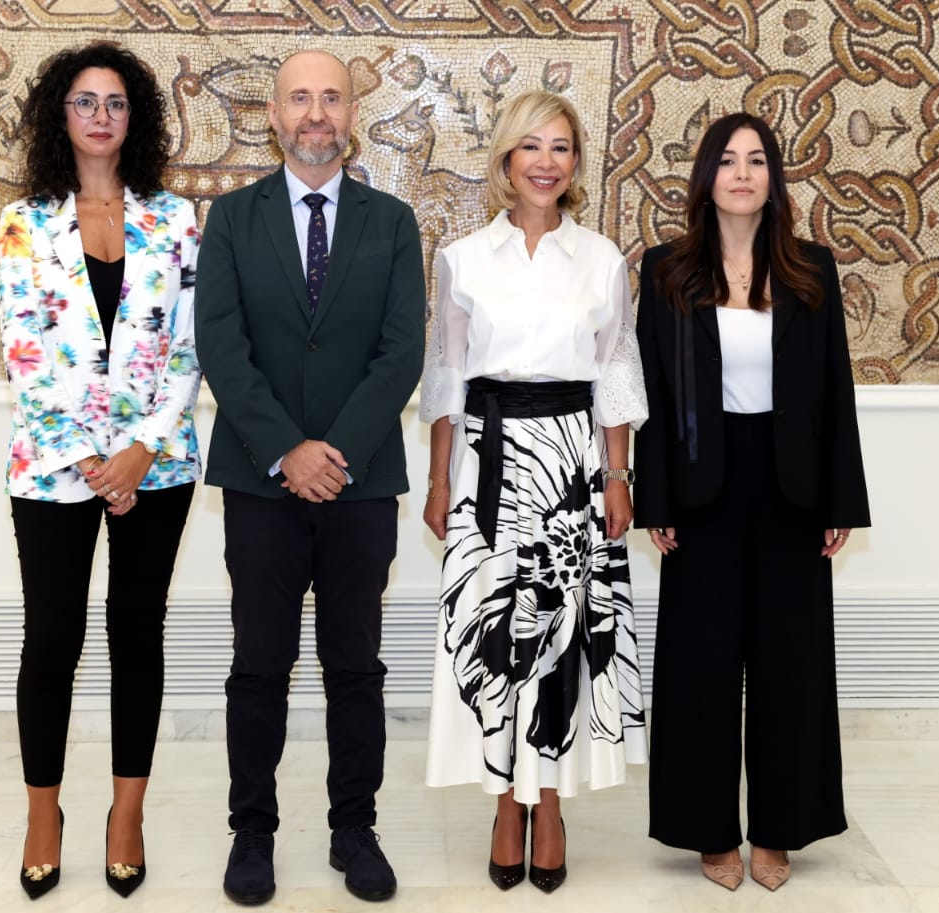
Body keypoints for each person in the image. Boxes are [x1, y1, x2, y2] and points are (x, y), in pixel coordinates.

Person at [193, 49, 425, 906]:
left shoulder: (392, 221)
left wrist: (336, 452)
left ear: (353, 113)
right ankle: (251, 832)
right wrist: (288, 448)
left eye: (331, 97)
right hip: (262, 484)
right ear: (274, 115)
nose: (316, 113)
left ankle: (353, 828)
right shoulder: (231, 219)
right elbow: (221, 345)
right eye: (300, 97)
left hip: (361, 487)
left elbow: (402, 351)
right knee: (260, 664)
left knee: (354, 666)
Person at [632, 112, 871, 892]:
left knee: (790, 663)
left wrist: (840, 497)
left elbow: (834, 386)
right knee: (699, 663)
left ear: (774, 178)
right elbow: (650, 394)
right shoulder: (667, 270)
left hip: (792, 483)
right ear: (707, 178)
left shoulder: (811, 268)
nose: (742, 173)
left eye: (757, 160)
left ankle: (779, 827)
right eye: (728, 160)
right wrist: (655, 497)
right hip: (700, 485)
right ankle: (708, 830)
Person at [420, 90, 649, 894]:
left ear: (576, 162)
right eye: (531, 146)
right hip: (484, 462)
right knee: (494, 635)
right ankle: (502, 803)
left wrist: (618, 476)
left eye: (560, 147)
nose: (545, 162)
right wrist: (440, 478)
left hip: (572, 463)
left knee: (561, 630)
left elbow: (616, 372)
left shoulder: (602, 259)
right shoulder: (461, 257)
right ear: (506, 160)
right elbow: (446, 376)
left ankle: (547, 803)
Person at [0, 41, 202, 900]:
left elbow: (191, 345)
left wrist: (141, 448)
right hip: (54, 463)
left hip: (157, 461)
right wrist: (89, 457)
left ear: (135, 118)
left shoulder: (176, 219)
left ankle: (127, 813)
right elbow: (24, 351)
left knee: (136, 630)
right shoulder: (24, 221)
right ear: (61, 114)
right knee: (53, 637)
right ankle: (43, 813)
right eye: (85, 101)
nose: (101, 116)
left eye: (116, 102)